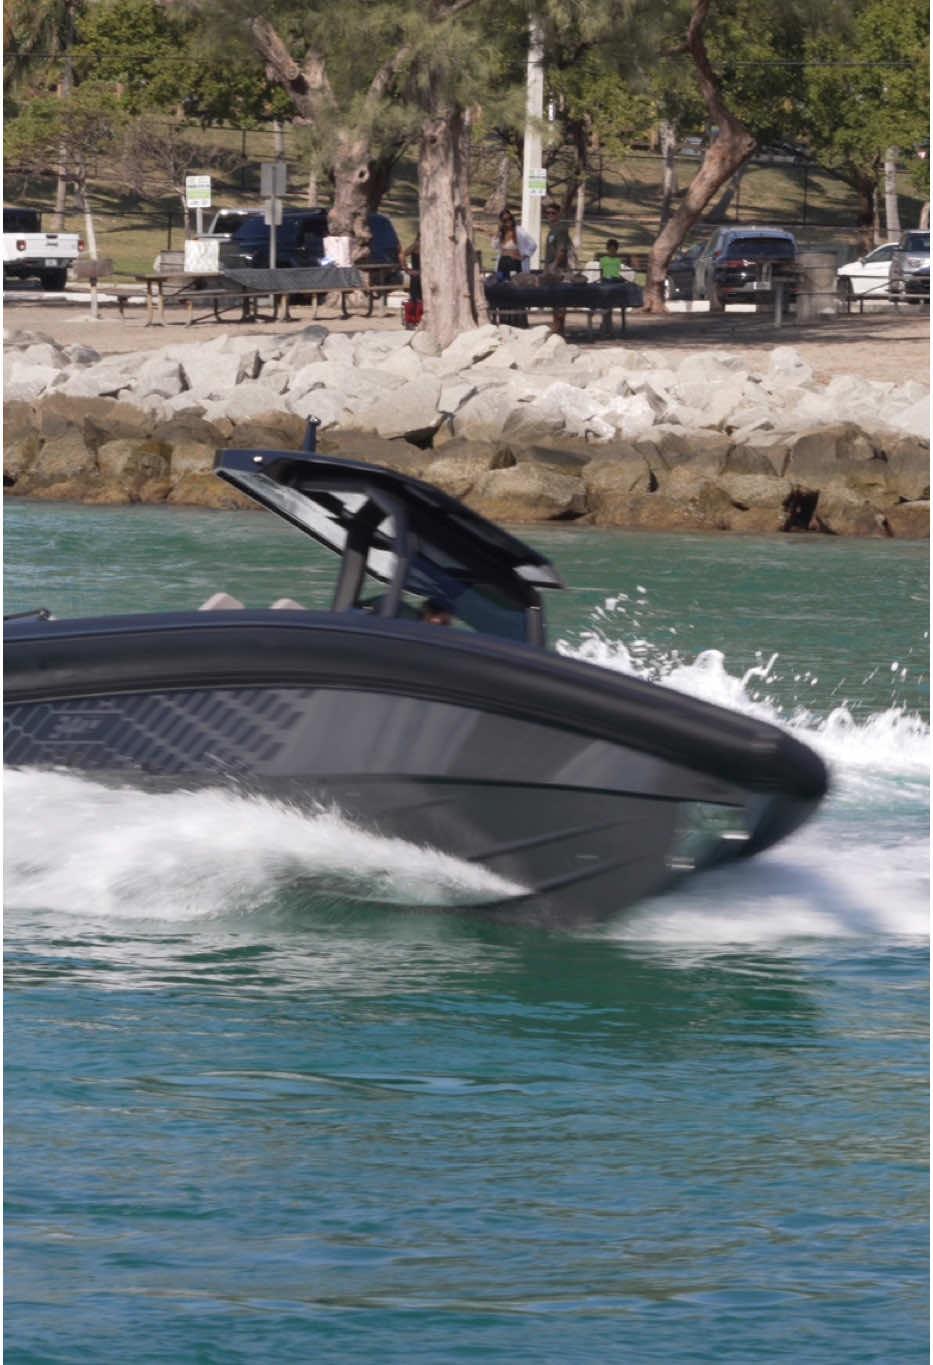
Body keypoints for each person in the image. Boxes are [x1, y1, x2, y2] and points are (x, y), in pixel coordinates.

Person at [542, 200, 573, 337]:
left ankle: (559, 328)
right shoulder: (552, 230)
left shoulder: (561, 229)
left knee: (560, 299)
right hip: (549, 266)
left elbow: (562, 250)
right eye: (547, 213)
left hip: (558, 268)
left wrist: (554, 265)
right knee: (554, 299)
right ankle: (556, 327)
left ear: (559, 214)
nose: (550, 215)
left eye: (553, 213)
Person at [491, 209, 537, 279]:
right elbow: (494, 246)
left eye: (510, 218)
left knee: (514, 283)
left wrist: (524, 256)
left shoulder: (519, 231)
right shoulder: (501, 233)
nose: (508, 221)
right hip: (502, 262)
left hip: (514, 262)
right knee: (501, 282)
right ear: (502, 222)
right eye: (505, 220)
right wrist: (498, 232)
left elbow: (533, 244)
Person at [402, 234, 422, 328]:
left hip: (427, 275)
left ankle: (417, 319)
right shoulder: (417, 244)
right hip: (417, 275)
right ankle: (413, 320)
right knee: (416, 298)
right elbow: (402, 255)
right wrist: (407, 269)